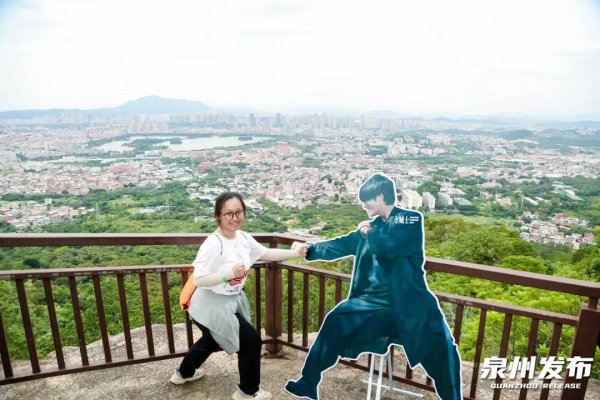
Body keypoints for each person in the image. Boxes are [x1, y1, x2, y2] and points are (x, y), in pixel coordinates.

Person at [285, 173, 462, 400]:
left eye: (366, 199)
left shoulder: (410, 220)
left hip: (412, 305)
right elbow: (340, 244)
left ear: (380, 196)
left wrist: (367, 231)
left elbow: (388, 248)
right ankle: (308, 383)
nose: (363, 205)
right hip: (372, 303)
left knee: (443, 349)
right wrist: (309, 249)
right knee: (335, 320)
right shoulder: (371, 227)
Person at [170, 191, 308, 400]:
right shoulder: (213, 243)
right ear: (218, 216)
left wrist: (294, 253)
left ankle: (183, 374)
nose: (235, 218)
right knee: (250, 342)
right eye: (229, 214)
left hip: (228, 301)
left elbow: (265, 254)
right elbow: (199, 279)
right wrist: (227, 274)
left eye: (239, 212)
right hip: (210, 304)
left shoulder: (243, 238)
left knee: (211, 339)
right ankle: (248, 391)